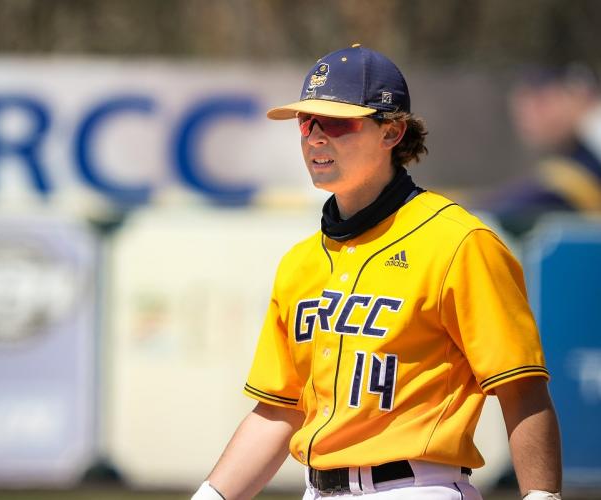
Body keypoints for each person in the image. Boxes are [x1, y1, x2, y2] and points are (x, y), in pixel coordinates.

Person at [191, 44, 562, 500]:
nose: (315, 137)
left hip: (414, 487)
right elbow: (279, 412)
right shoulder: (301, 262)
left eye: (336, 122)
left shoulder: (459, 242)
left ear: (392, 132)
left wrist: (543, 497)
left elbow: (521, 388)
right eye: (306, 122)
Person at [481, 63, 601, 235]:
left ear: (580, 94)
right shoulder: (572, 156)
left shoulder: (590, 148)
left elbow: (543, 195)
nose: (527, 114)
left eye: (541, 100)